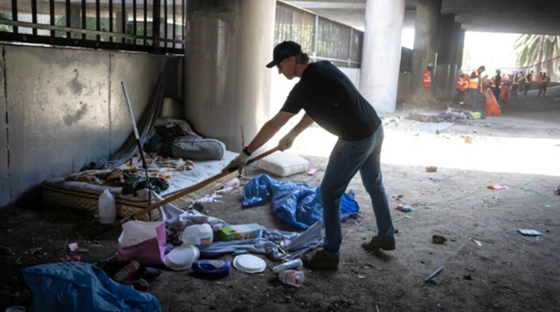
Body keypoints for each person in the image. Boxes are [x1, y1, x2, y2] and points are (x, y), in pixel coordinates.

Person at [223, 41, 395, 270]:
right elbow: (316, 108)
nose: (279, 71)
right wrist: (294, 132)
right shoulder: (324, 68)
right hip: (374, 129)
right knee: (374, 184)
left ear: (292, 61)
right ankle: (386, 235)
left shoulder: (304, 87)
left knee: (329, 194)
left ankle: (331, 254)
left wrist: (245, 153)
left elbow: (273, 124)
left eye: (280, 66)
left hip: (355, 139)